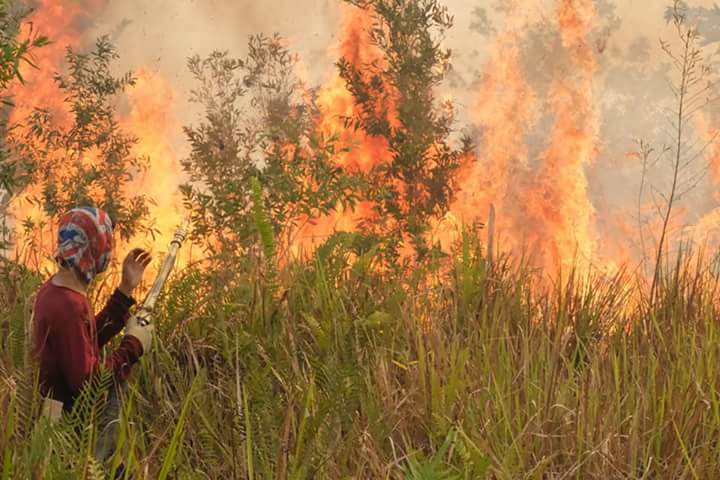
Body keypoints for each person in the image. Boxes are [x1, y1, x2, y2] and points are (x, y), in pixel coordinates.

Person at [31, 206, 155, 421]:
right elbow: (89, 383)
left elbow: (82, 342)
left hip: (54, 421)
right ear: (95, 248)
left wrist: (124, 292)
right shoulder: (68, 305)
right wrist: (133, 345)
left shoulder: (57, 290)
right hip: (64, 432)